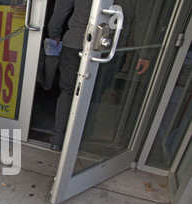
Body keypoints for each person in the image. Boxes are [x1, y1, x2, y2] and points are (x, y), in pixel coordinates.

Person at [47, 0, 149, 151]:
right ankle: (82, 138)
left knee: (68, 91)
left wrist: (54, 32)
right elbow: (143, 19)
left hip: (77, 41)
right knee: (95, 92)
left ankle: (58, 139)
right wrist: (144, 52)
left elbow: (62, 7)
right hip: (111, 45)